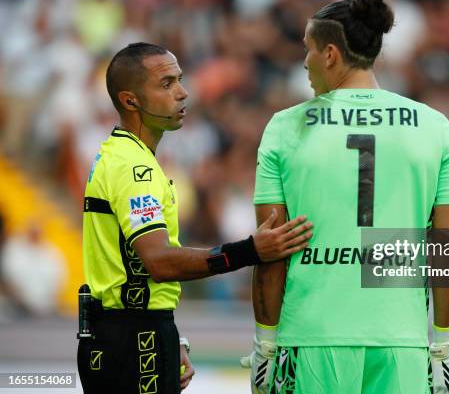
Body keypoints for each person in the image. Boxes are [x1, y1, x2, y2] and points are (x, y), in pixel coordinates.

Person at [242, 0, 449, 394]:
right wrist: (443, 345)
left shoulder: (285, 127)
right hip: (402, 342)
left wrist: (266, 342)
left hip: (311, 337)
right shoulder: (435, 127)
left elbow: (271, 251)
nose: (304, 62)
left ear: (329, 54)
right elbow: (447, 249)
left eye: (308, 51)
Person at [78, 42, 313, 394]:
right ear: (130, 100)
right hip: (129, 338)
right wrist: (250, 251)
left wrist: (168, 333)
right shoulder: (134, 167)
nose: (183, 92)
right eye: (167, 84)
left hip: (132, 328)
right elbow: (158, 262)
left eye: (180, 80)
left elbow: (137, 269)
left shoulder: (124, 155)